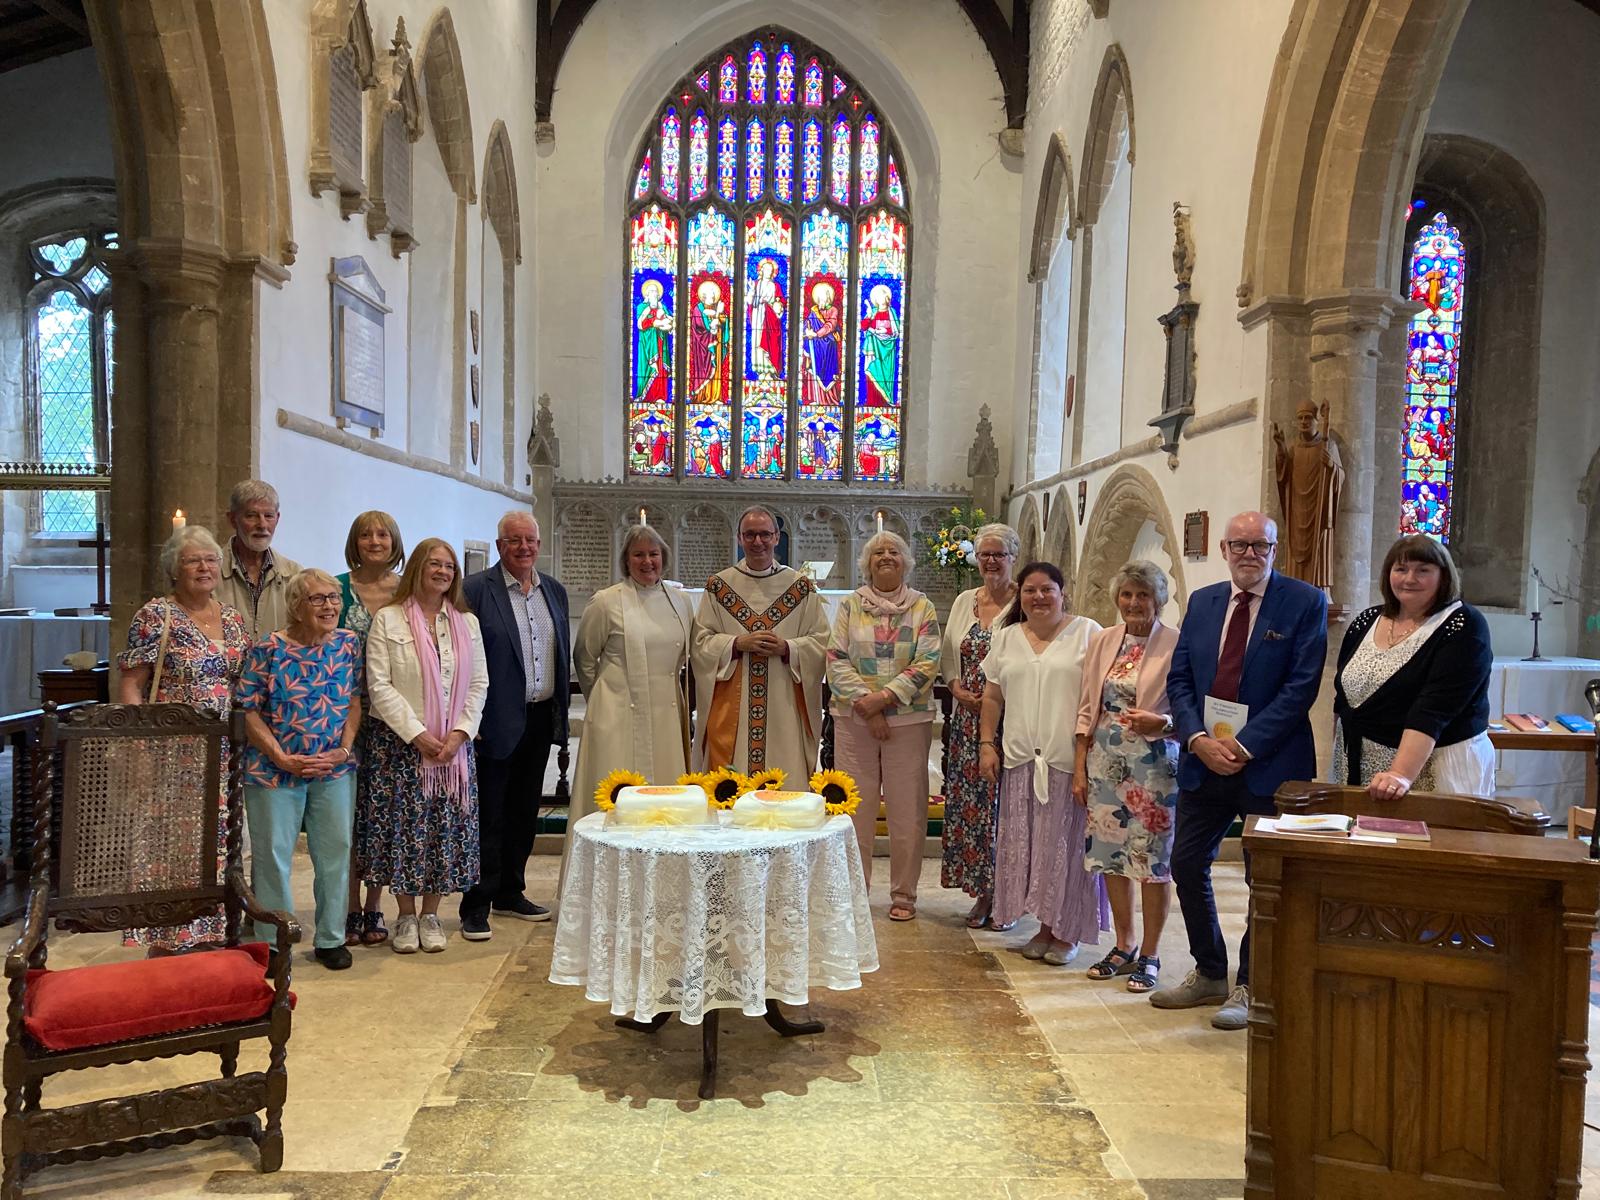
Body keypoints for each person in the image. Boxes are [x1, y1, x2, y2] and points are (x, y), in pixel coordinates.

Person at [1153, 511, 1327, 1031]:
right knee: (1186, 864)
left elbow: (1301, 687)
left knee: (1263, 879)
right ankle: (1210, 971)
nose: (1249, 554)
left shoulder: (1304, 602)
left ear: (1274, 550)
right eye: (1240, 545)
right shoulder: (1204, 602)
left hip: (1270, 765)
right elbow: (1180, 680)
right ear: (1224, 549)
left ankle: (1251, 983)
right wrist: (1197, 739)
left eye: (1260, 545)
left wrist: (1244, 745)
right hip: (1204, 762)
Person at [116, 524, 250, 952]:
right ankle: (167, 937)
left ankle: (212, 934)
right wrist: (139, 746)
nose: (204, 567)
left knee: (219, 843)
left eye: (210, 559)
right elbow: (132, 684)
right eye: (193, 561)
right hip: (172, 752)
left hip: (225, 753)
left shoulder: (232, 618)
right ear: (174, 568)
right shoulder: (156, 615)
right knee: (171, 844)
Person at [364, 538, 489, 954]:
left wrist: (460, 734)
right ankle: (404, 915)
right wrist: (417, 734)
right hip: (402, 746)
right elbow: (379, 684)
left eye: (449, 566)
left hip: (453, 748)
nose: (442, 572)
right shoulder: (388, 619)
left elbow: (478, 683)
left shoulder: (466, 623)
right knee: (405, 830)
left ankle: (432, 914)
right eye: (434, 564)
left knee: (442, 831)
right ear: (417, 567)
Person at [978, 562, 1104, 965]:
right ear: (1020, 595)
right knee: (1034, 850)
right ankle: (1044, 928)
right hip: (1020, 760)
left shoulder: (1088, 632)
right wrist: (986, 744)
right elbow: (992, 697)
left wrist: (1086, 759)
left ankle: (1067, 933)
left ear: (1063, 592)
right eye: (1030, 590)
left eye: (1047, 589)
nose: (1038, 597)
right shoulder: (1007, 636)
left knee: (1066, 849)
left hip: (1068, 760)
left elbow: (1099, 698)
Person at [237, 569, 363, 970]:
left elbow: (354, 701)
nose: (329, 606)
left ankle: (330, 938)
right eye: (318, 599)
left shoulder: (348, 644)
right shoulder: (268, 649)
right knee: (273, 857)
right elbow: (247, 710)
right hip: (273, 770)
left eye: (333, 598)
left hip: (333, 769)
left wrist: (343, 751)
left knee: (335, 853)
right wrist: (279, 756)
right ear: (296, 606)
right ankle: (274, 943)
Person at [460, 512, 570, 941]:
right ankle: (476, 903)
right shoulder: (475, 590)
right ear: (499, 545)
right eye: (514, 540)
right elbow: (463, 657)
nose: (524, 547)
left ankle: (511, 890)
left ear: (539, 544)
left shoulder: (553, 591)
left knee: (524, 810)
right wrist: (469, 718)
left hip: (539, 717)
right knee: (489, 814)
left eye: (530, 540)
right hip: (493, 719)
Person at [1073, 560, 1180, 994]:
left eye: (1143, 595)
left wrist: (1165, 723)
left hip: (1155, 765)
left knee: (1152, 860)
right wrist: (1080, 766)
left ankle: (1151, 953)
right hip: (1105, 763)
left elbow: (1191, 706)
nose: (1134, 603)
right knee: (1111, 855)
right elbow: (1087, 706)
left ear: (1159, 599)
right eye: (1127, 595)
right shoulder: (1103, 640)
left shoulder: (1176, 642)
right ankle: (1124, 945)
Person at [826, 531, 941, 921]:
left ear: (906, 561)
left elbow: (928, 661)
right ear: (867, 563)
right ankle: (855, 892)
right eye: (878, 552)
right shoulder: (850, 605)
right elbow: (835, 657)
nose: (886, 557)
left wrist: (885, 698)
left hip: (908, 719)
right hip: (855, 719)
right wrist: (869, 706)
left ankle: (904, 894)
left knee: (907, 811)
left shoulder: (922, 606)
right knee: (855, 810)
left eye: (894, 551)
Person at [1332, 535, 1493, 799]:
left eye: (1423, 570)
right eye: (1401, 569)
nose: (1409, 578)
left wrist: (1400, 774)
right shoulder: (1367, 620)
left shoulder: (1463, 625)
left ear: (1443, 576)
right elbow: (1343, 696)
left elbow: (1434, 709)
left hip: (1430, 767)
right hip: (1356, 762)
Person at [571, 524, 694, 846]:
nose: (647, 561)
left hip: (667, 713)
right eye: (638, 554)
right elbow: (584, 657)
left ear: (664, 557)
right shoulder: (605, 602)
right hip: (617, 714)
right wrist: (603, 700)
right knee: (615, 796)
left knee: (666, 798)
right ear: (626, 560)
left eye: (653, 554)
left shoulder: (680, 601)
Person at [692, 505, 829, 782]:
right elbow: (700, 643)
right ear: (739, 538)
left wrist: (787, 648)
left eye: (765, 534)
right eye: (750, 535)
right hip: (733, 704)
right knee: (733, 784)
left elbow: (821, 641)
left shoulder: (800, 587)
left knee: (785, 778)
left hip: (784, 702)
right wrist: (736, 643)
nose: (758, 542)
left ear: (777, 537)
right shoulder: (719, 586)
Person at [940, 523, 1019, 930]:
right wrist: (955, 687)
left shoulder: (1025, 602)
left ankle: (1005, 895)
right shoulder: (964, 601)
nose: (990, 561)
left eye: (998, 555)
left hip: (1008, 722)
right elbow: (948, 653)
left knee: (1003, 810)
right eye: (984, 554)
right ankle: (982, 891)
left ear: (1013, 558)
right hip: (966, 724)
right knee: (973, 810)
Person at [337, 510, 405, 947]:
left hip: (391, 718)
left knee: (379, 814)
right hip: (344, 715)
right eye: (366, 535)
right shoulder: (337, 589)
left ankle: (375, 904)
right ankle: (348, 905)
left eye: (383, 534)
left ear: (395, 542)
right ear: (355, 542)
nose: (375, 541)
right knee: (345, 814)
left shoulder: (407, 591)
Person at [216, 479, 303, 643]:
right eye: (251, 516)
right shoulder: (211, 572)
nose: (262, 524)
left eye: (268, 516)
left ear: (277, 518)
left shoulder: (294, 574)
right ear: (232, 519)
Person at [1272, 399, 1344, 590]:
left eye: (1308, 418)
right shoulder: (1294, 449)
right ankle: (1296, 589)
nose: (1304, 422)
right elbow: (1283, 476)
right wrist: (1281, 448)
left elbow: (1340, 476)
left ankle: (1320, 589)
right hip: (1297, 511)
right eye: (1300, 418)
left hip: (1319, 510)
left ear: (1316, 420)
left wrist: (1331, 466)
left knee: (1320, 546)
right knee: (1295, 553)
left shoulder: (1327, 446)